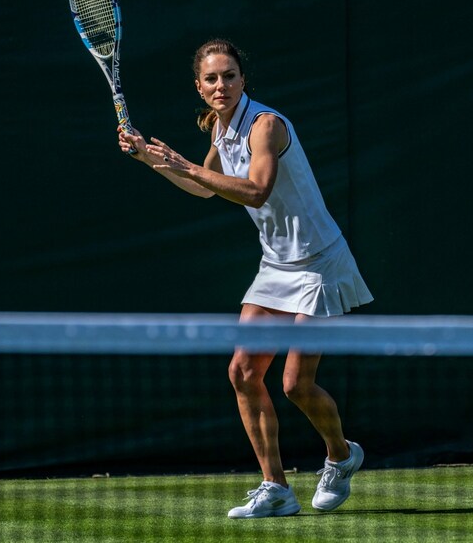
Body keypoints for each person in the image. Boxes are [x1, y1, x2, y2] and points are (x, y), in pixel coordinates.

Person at [118, 39, 373, 518]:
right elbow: (202, 188)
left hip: (318, 262)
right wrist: (147, 158)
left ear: (242, 79)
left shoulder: (266, 125)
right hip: (276, 264)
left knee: (297, 384)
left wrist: (184, 163)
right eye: (211, 79)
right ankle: (276, 488)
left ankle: (341, 454)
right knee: (242, 372)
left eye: (229, 76)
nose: (221, 86)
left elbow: (256, 192)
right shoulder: (219, 127)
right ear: (200, 86)